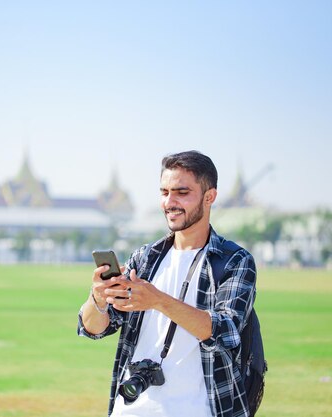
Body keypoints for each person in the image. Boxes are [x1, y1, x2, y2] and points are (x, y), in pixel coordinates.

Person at [78, 150, 257, 417]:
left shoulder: (233, 261)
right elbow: (93, 329)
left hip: (199, 410)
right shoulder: (146, 258)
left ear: (210, 197)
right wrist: (98, 299)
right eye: (164, 192)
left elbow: (226, 333)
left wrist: (158, 300)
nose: (169, 202)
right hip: (131, 409)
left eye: (181, 192)